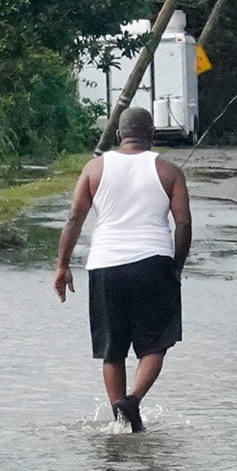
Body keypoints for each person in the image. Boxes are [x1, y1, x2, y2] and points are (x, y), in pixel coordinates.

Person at [54, 105, 192, 432]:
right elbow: (183, 224)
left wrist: (62, 264)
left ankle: (120, 418)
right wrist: (177, 267)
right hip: (153, 263)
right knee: (155, 344)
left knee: (111, 349)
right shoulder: (169, 172)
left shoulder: (93, 169)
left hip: (105, 265)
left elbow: (75, 218)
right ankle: (132, 401)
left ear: (118, 135)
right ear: (153, 136)